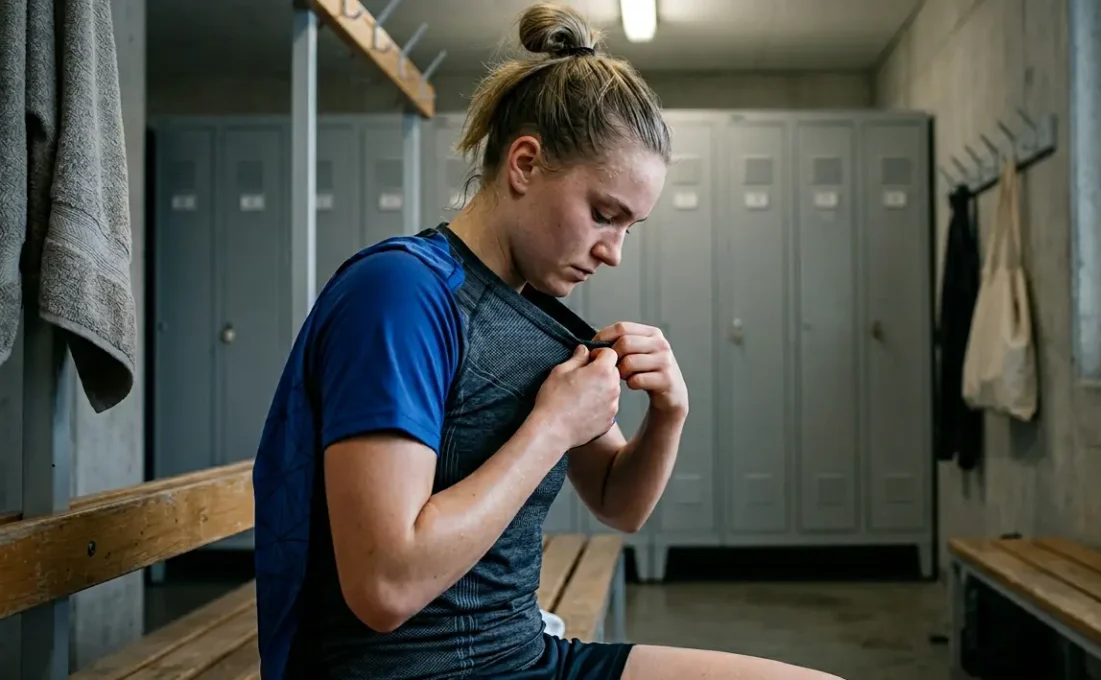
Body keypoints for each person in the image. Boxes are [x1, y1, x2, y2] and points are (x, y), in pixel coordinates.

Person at [252, 3, 842, 679]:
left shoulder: (538, 314)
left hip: (524, 657)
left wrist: (669, 413)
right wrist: (550, 429)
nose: (614, 252)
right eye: (603, 215)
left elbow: (620, 504)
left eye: (630, 228)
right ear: (525, 163)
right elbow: (385, 587)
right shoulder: (401, 295)